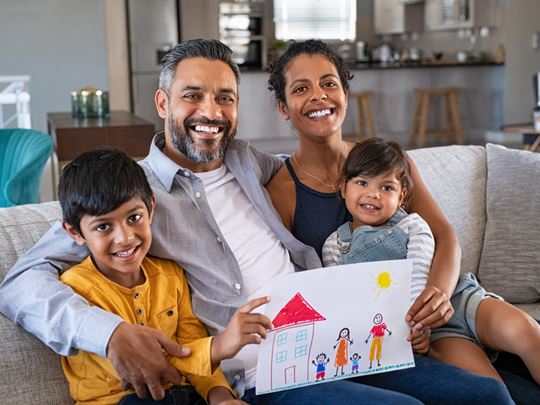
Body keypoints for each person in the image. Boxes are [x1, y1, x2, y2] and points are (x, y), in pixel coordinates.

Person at [0, 39, 422, 405]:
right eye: (193, 95)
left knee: (482, 395)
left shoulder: (250, 161)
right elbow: (20, 284)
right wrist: (109, 334)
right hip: (261, 375)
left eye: (225, 97)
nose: (211, 111)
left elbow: (318, 172)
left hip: (334, 339)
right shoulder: (130, 197)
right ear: (163, 102)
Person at [264, 39, 524, 402]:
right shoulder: (281, 191)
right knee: (491, 393)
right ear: (283, 107)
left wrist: (437, 294)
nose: (318, 96)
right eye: (301, 88)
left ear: (346, 93)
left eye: (329, 83)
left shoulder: (389, 163)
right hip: (381, 334)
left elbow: (444, 236)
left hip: (437, 307)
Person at [56, 148, 274, 404]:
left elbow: (192, 341)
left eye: (134, 218)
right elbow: (142, 367)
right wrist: (218, 347)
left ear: (151, 208)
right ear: (75, 232)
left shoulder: (169, 274)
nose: (125, 238)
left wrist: (220, 396)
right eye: (103, 227)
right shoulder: (76, 289)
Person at [322, 138, 540, 387]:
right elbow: (343, 298)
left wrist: (418, 324)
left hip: (460, 299)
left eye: (387, 188)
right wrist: (415, 333)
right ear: (343, 188)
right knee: (488, 387)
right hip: (435, 333)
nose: (373, 193)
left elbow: (417, 274)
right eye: (362, 183)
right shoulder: (335, 245)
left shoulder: (413, 225)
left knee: (525, 330)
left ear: (402, 195)